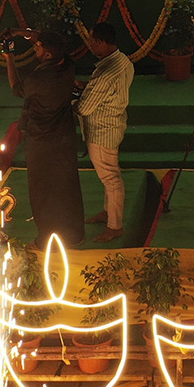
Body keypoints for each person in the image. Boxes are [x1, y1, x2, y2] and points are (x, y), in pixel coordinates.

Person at [7, 28, 84, 247]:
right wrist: (29, 34)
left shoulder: (41, 76)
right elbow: (53, 43)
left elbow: (17, 89)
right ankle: (75, 234)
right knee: (67, 186)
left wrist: (9, 58)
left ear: (48, 55)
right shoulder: (67, 64)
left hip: (42, 141)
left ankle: (46, 240)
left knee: (43, 190)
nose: (34, 48)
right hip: (64, 138)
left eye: (38, 47)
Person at [77, 23, 133, 243]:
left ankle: (115, 226)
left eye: (92, 41)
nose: (90, 45)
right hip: (115, 123)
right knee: (109, 174)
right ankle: (107, 212)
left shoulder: (104, 73)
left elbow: (84, 108)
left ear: (100, 42)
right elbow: (111, 90)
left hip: (101, 131)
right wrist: (87, 87)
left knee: (111, 178)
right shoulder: (123, 61)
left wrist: (73, 98)